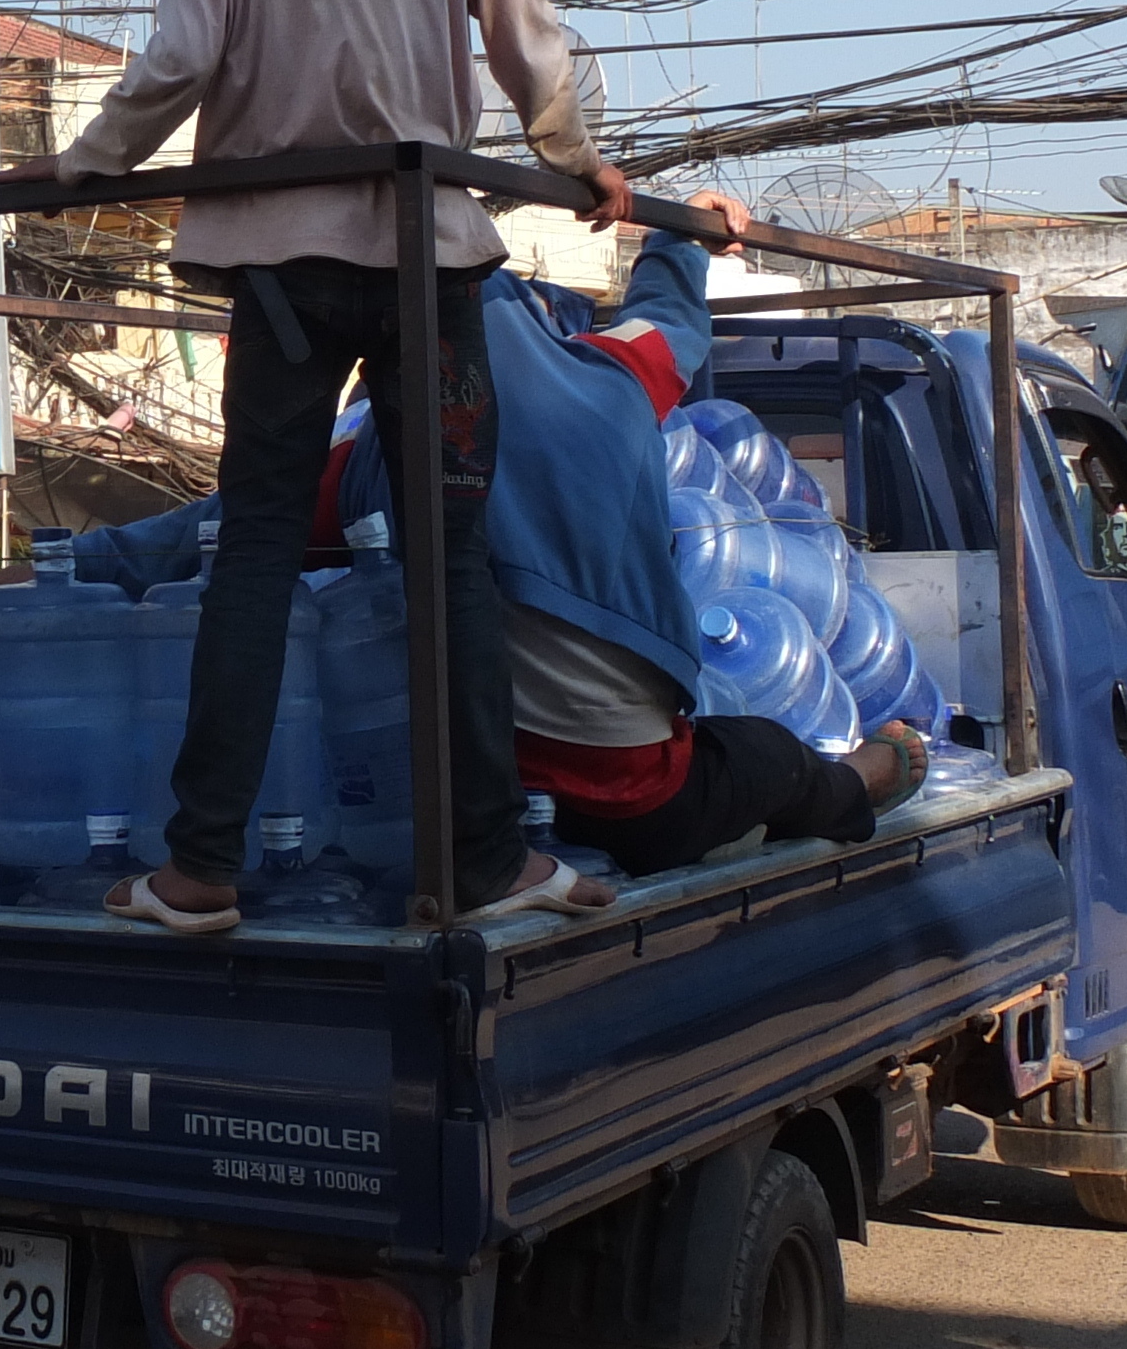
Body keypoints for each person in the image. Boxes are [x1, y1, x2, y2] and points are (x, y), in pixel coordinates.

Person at [0, 0, 624, 935]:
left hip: (276, 269)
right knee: (450, 557)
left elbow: (177, 60)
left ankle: (203, 869)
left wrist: (88, 164)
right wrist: (582, 160)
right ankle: (483, 862)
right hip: (428, 263)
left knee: (258, 551)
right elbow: (530, 50)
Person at [77, 191, 924, 875]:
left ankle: (841, 781)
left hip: (437, 788)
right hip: (622, 791)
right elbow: (671, 316)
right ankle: (863, 777)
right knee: (767, 757)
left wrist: (61, 563)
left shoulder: (369, 461)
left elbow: (208, 534)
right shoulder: (612, 383)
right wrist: (681, 237)